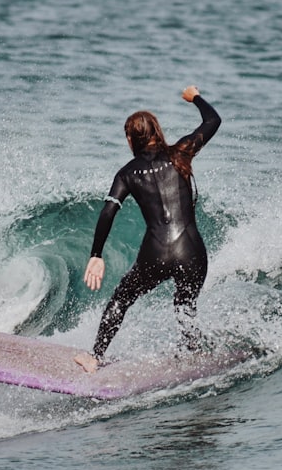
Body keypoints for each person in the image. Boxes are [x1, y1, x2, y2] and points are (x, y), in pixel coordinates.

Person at [75, 85, 221, 373]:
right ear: (156, 131)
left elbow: (108, 210)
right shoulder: (181, 152)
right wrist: (195, 98)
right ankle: (195, 354)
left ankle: (95, 357)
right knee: (184, 305)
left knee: (122, 299)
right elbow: (213, 121)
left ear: (131, 139)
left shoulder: (127, 173)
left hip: (155, 252)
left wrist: (96, 254)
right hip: (191, 249)